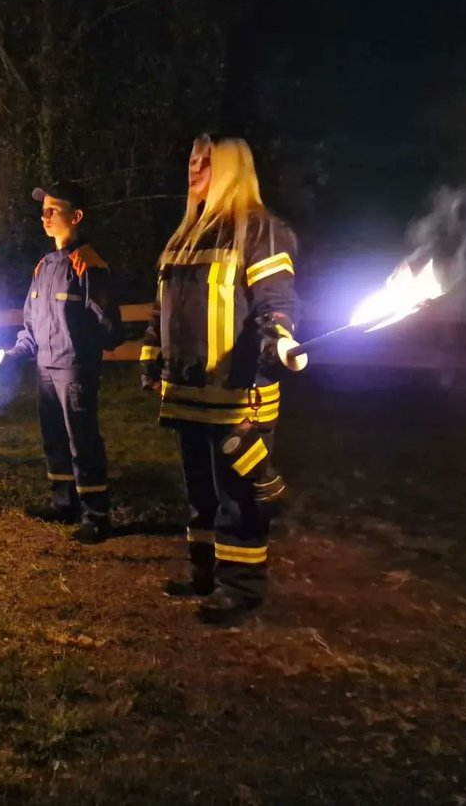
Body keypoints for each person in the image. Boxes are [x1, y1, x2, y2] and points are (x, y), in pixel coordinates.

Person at [140, 135, 308, 625]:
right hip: (190, 393)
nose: (194, 168)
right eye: (191, 160)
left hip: (239, 394)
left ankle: (242, 586)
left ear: (233, 168)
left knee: (240, 493)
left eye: (206, 162)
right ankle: (207, 572)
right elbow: (161, 310)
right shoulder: (185, 235)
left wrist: (278, 340)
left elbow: (277, 302)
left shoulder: (261, 231)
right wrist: (153, 361)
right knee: (201, 491)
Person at [0, 182, 124, 544]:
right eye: (43, 209)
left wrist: (94, 282)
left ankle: (96, 515)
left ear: (76, 216)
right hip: (46, 370)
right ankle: (64, 503)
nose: (45, 215)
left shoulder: (87, 264)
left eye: (54, 209)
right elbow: (31, 327)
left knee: (82, 440)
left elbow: (112, 329)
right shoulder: (44, 267)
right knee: (54, 437)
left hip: (75, 370)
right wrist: (13, 354)